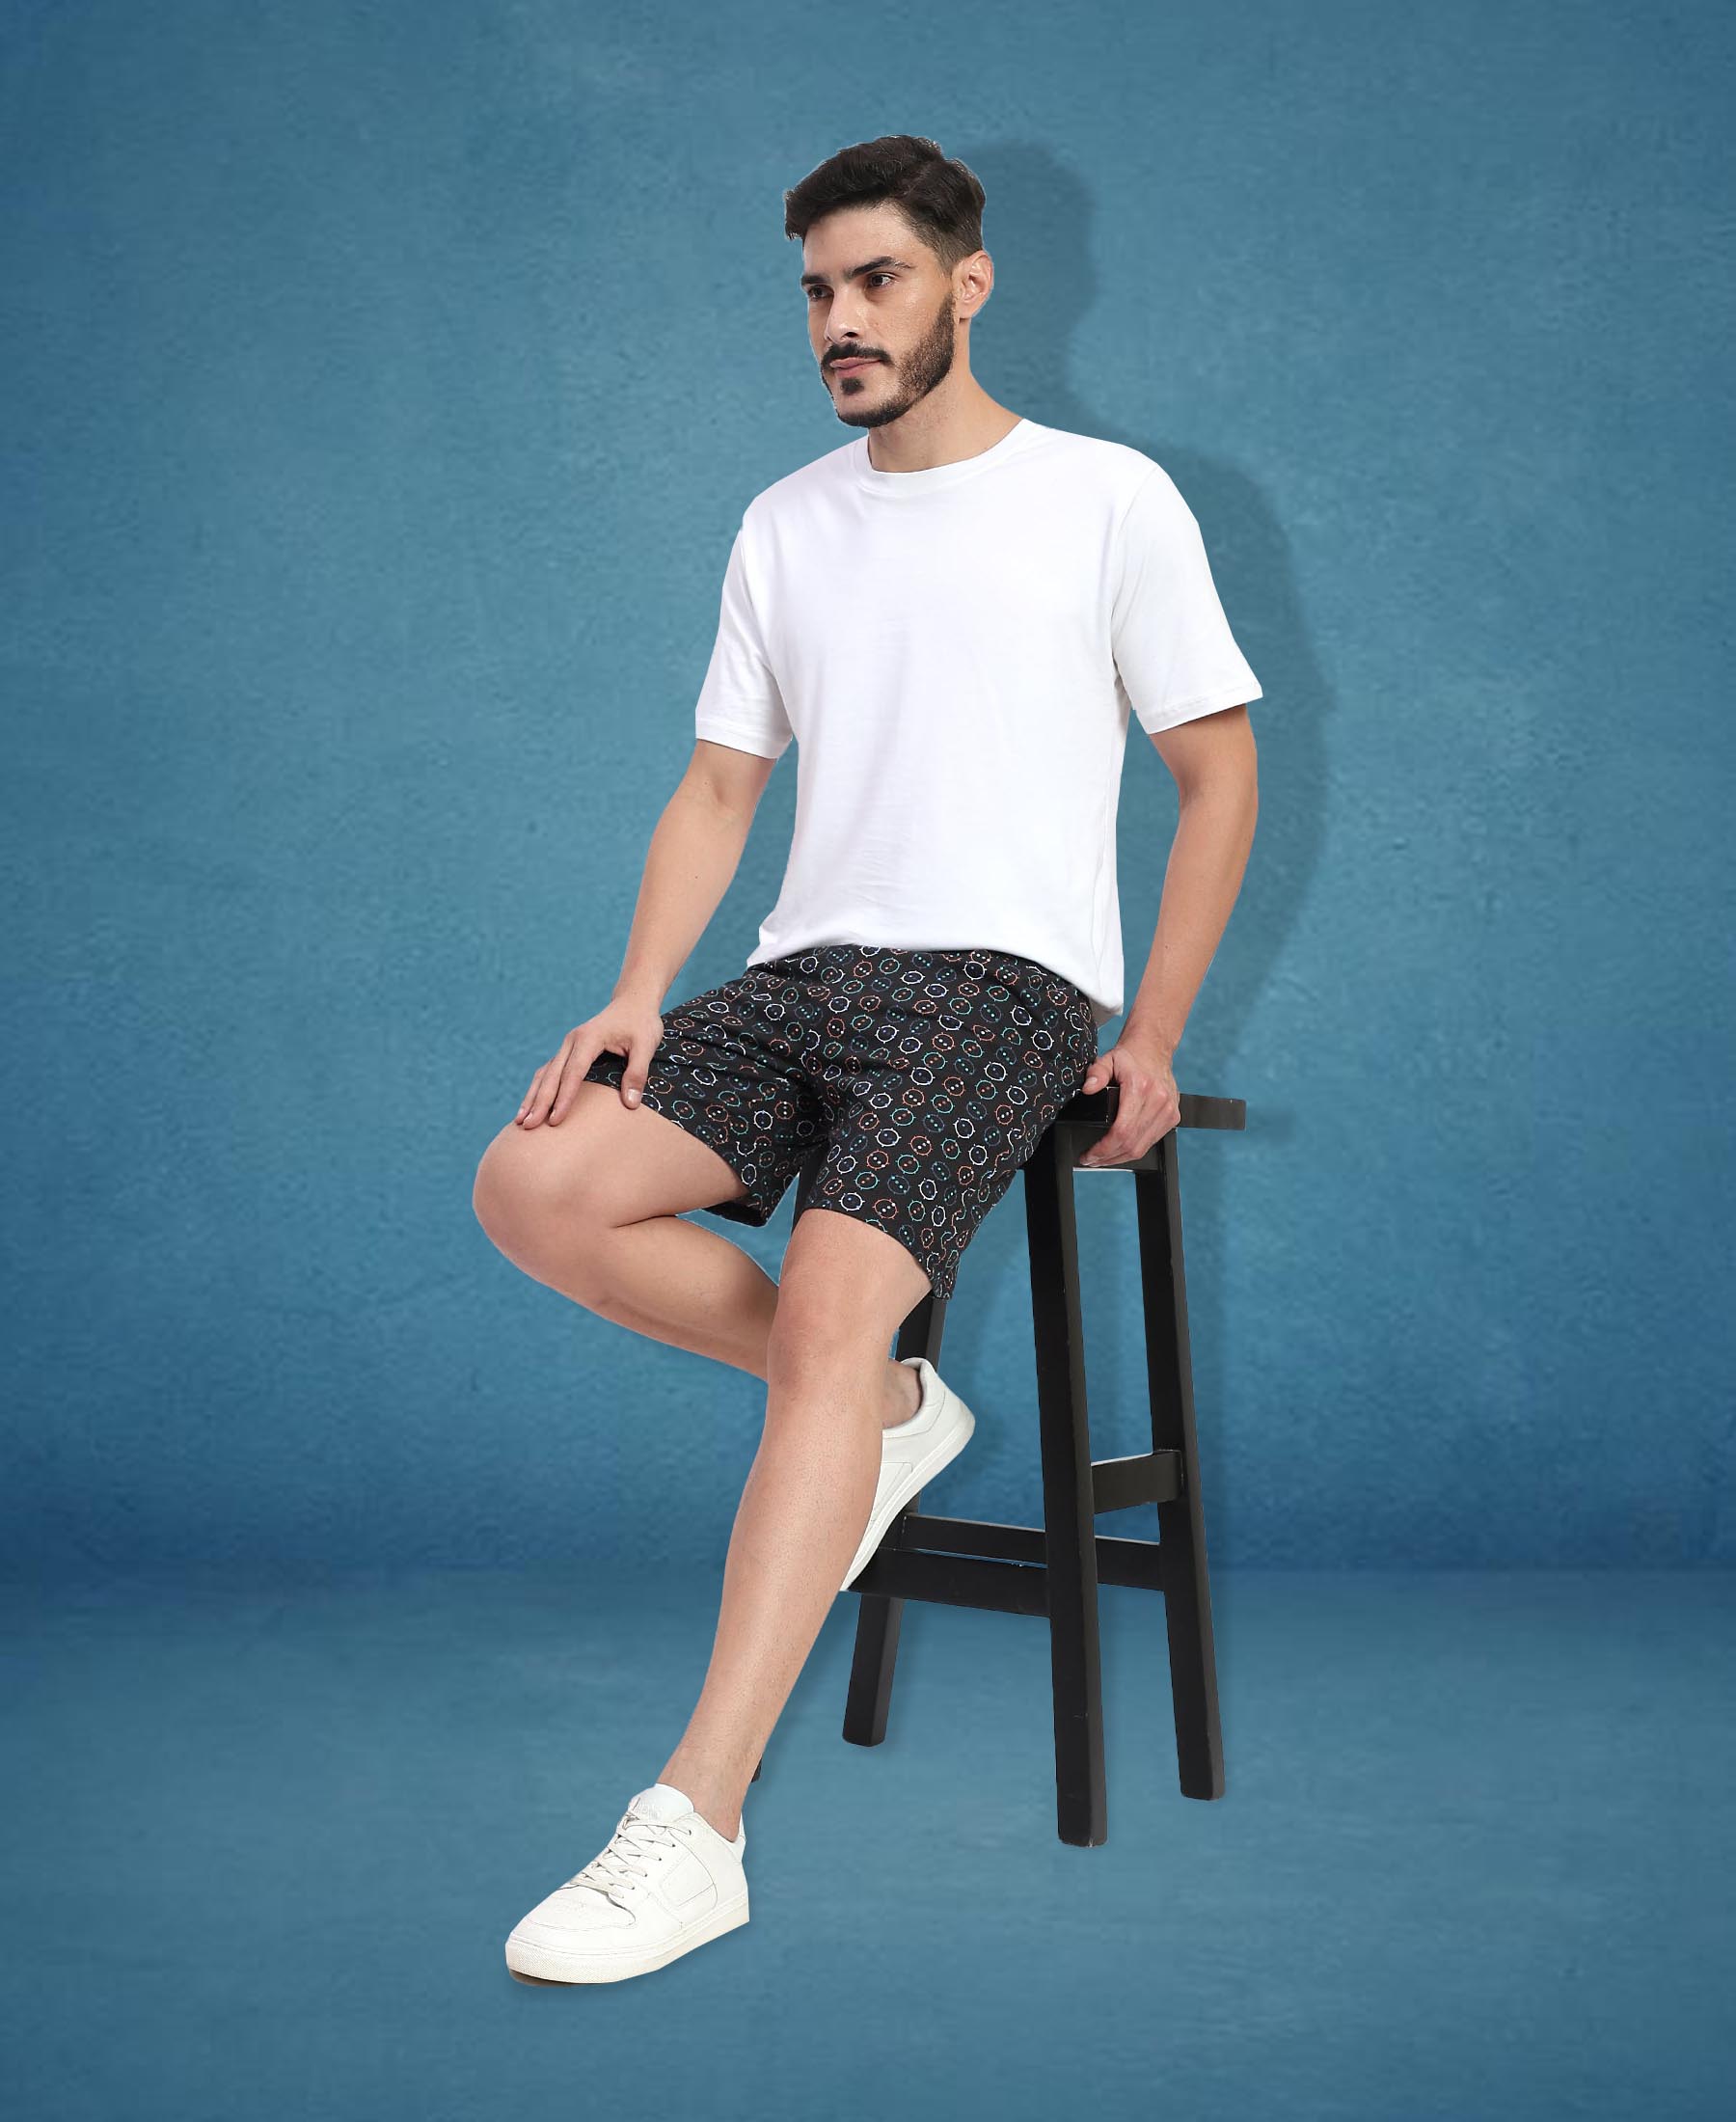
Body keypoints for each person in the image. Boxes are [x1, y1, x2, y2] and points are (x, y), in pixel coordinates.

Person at [473, 133, 1263, 1986]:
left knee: (836, 1309)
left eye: (879, 281)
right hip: (805, 975)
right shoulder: (784, 524)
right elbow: (719, 787)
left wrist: (1153, 1029)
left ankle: (694, 1828)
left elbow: (1217, 770)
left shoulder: (1108, 500)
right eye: (820, 291)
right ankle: (887, 1413)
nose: (842, 318)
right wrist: (636, 990)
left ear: (968, 286)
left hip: (1000, 989)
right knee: (536, 1182)